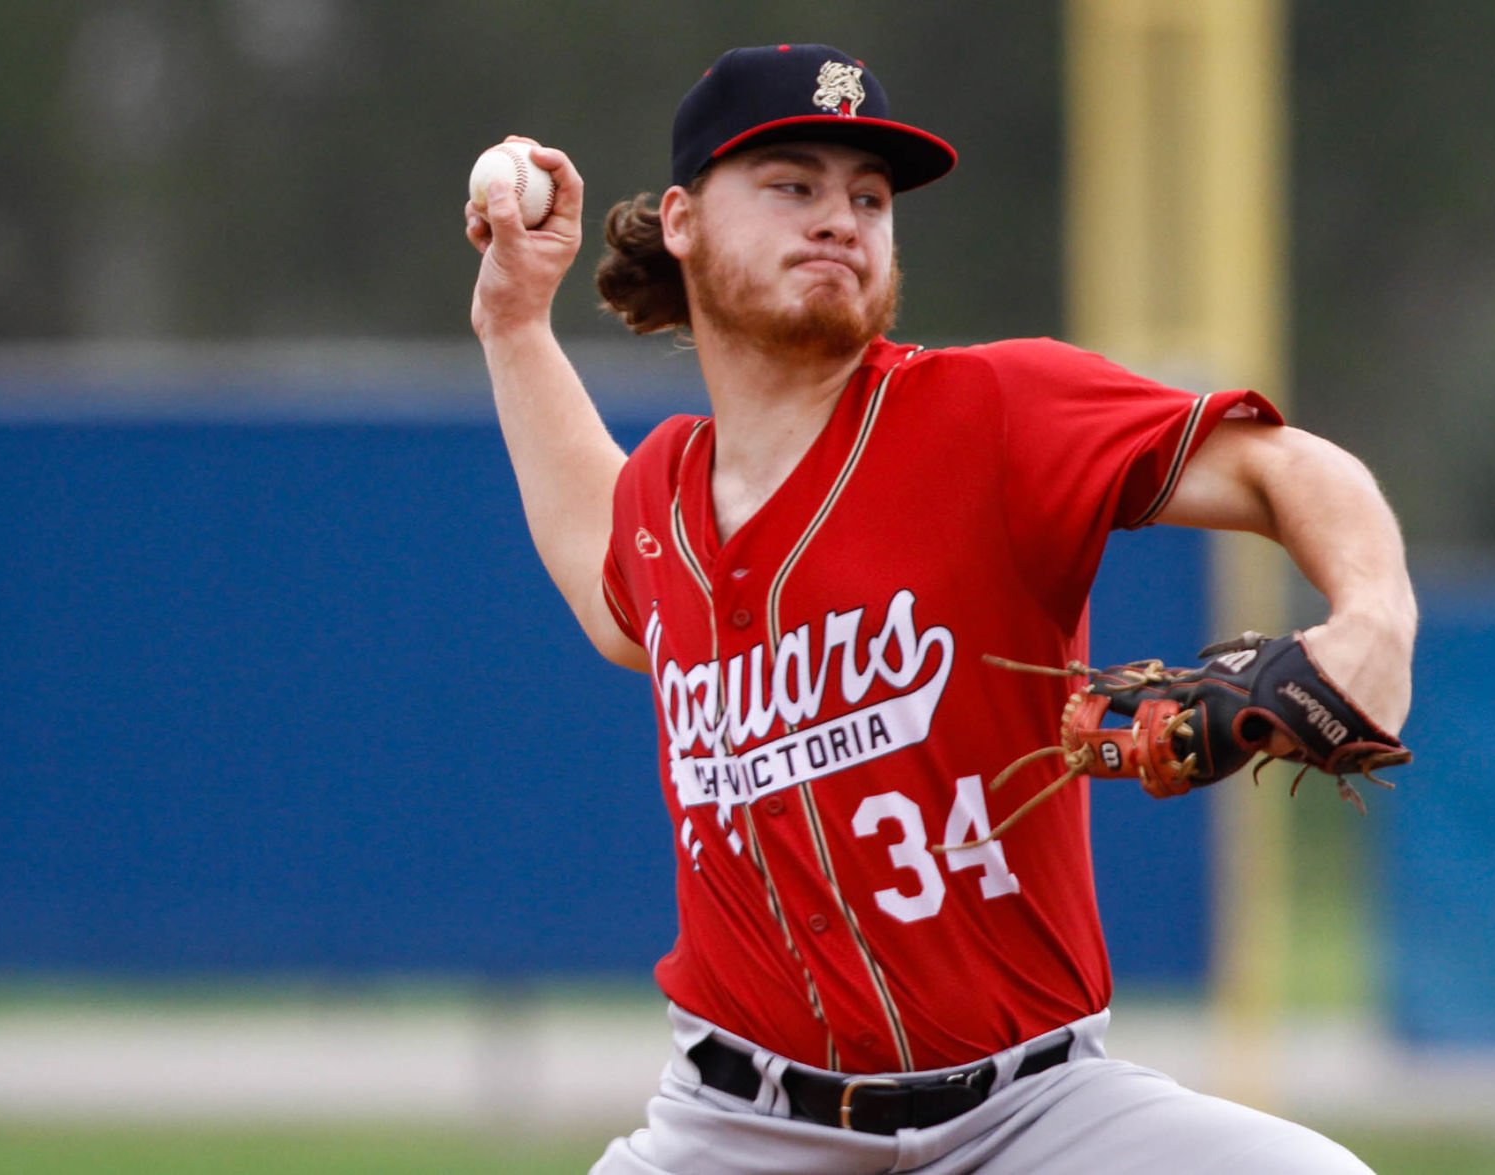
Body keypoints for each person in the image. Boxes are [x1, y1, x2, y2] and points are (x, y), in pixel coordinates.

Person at [464, 42, 1414, 1175]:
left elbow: (1282, 467)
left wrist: (1371, 616)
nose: (840, 218)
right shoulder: (664, 492)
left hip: (1031, 1118)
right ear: (681, 219)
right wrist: (515, 323)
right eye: (792, 184)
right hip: (733, 1130)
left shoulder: (992, 411)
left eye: (868, 197)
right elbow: (606, 588)